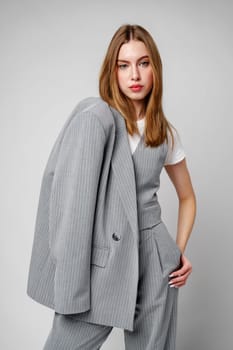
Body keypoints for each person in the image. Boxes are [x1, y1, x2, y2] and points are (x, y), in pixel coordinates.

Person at [27, 24, 196, 350]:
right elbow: (72, 201)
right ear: (113, 72)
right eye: (124, 65)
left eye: (144, 63)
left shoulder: (166, 134)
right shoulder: (97, 120)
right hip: (100, 258)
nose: (135, 74)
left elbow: (187, 198)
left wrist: (178, 251)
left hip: (153, 257)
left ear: (154, 69)